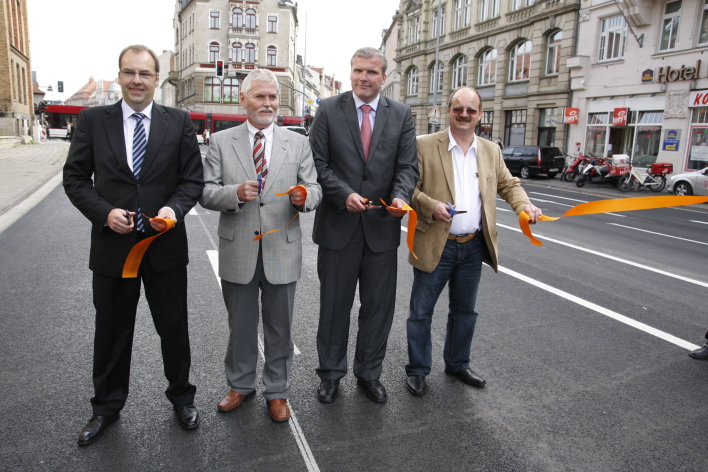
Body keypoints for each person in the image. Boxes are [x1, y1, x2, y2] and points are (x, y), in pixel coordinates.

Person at [63, 44, 204, 445]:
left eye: (145, 73)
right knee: (111, 332)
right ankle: (105, 408)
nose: (137, 80)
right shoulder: (93, 121)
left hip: (165, 248)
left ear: (157, 79)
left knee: (174, 328)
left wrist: (173, 211)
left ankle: (181, 397)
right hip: (113, 248)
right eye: (129, 73)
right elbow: (74, 179)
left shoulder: (178, 122)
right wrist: (104, 212)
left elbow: (191, 180)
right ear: (120, 76)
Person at [199, 69, 321, 423]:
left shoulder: (297, 142)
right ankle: (240, 385)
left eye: (272, 97)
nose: (267, 103)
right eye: (260, 97)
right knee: (241, 324)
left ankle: (278, 391)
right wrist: (233, 193)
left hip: (282, 248)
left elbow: (314, 188)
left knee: (280, 326)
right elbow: (205, 191)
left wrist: (304, 198)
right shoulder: (222, 142)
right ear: (243, 100)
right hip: (238, 247)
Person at [404, 86, 542, 396]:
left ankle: (457, 363)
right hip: (436, 244)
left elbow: (509, 185)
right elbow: (407, 189)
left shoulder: (490, 150)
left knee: (465, 311)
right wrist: (430, 205)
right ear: (448, 110)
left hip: (473, 244)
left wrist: (525, 206)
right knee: (421, 312)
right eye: (458, 108)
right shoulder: (424, 146)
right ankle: (417, 369)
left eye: (470, 109)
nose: (464, 114)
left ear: (479, 114)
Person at [310, 47, 418, 403]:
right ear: (351, 72)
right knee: (333, 308)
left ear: (383, 77)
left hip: (382, 229)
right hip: (338, 227)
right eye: (358, 71)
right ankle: (330, 374)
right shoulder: (328, 109)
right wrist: (343, 194)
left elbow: (407, 167)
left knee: (378, 309)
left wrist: (401, 196)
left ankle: (369, 373)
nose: (363, 78)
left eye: (371, 72)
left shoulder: (401, 114)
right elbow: (317, 164)